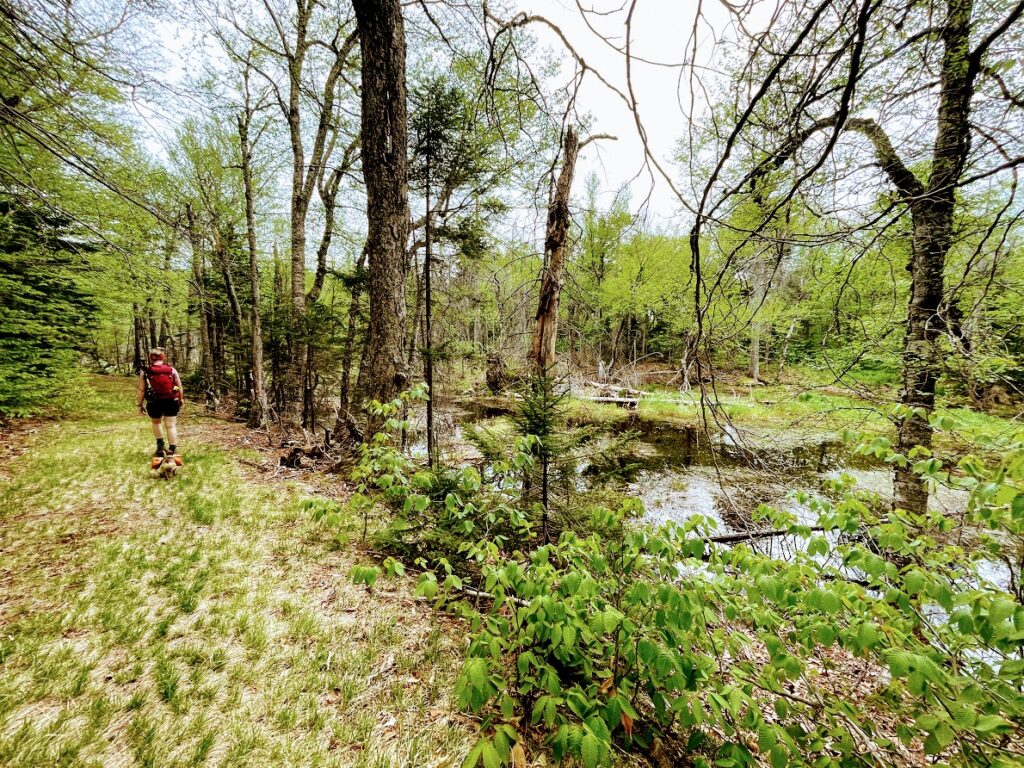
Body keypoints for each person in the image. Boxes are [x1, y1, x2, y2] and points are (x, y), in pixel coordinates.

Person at [137, 348, 184, 465]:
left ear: (150, 358)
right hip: (171, 400)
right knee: (171, 426)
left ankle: (160, 447)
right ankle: (172, 449)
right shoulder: (171, 370)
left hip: (154, 401)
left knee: (156, 423)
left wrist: (139, 404)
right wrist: (181, 399)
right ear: (164, 357)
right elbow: (179, 386)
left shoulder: (146, 372)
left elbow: (142, 389)